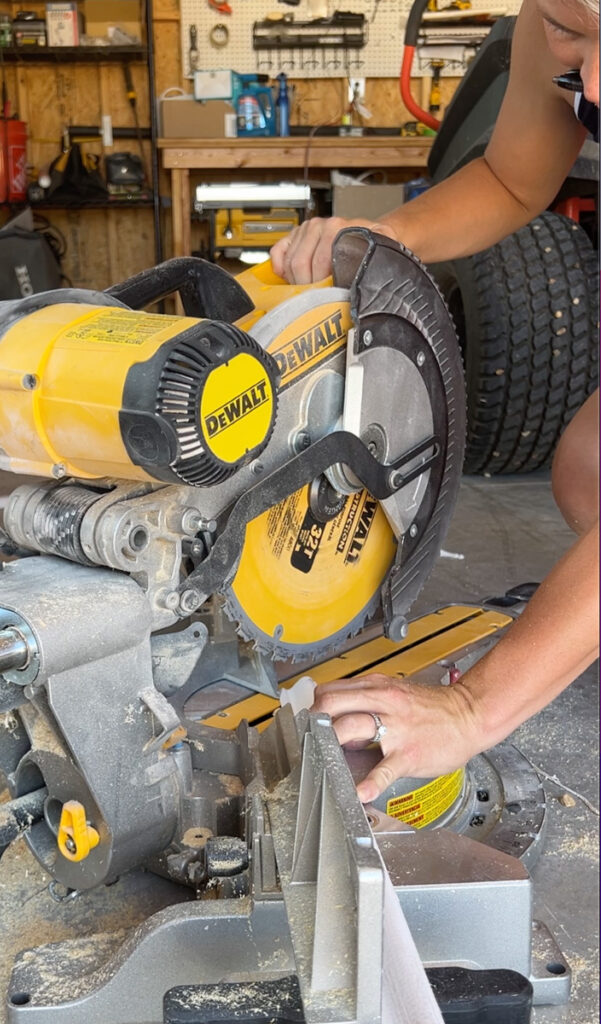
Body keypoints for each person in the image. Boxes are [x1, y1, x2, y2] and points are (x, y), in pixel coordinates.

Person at [270, 0, 599, 805]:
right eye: (570, 30)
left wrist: (471, 706)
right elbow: (511, 176)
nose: (589, 78)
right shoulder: (555, 21)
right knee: (588, 466)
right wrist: (388, 237)